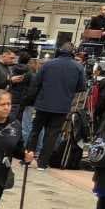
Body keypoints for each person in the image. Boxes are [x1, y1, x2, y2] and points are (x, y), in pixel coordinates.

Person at [29, 42, 85, 170]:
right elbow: (81, 86)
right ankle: (42, 164)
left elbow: (36, 83)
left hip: (43, 104)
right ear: (72, 53)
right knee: (52, 135)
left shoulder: (47, 64)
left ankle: (27, 158)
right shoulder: (78, 67)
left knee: (35, 131)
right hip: (62, 106)